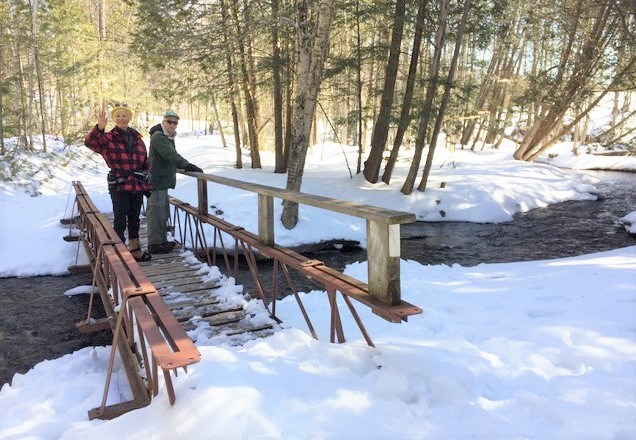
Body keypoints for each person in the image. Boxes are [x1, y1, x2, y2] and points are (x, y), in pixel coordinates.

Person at [84, 103, 152, 261]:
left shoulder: (138, 139)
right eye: (118, 116)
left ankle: (134, 249)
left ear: (129, 118)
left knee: (134, 218)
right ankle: (120, 254)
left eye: (124, 115)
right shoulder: (108, 138)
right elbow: (91, 143)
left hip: (136, 185)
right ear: (114, 119)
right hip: (119, 185)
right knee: (120, 219)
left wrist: (148, 186)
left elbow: (145, 163)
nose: (122, 118)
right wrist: (99, 128)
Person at [146, 110, 203, 254]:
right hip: (157, 181)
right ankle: (155, 244)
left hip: (162, 181)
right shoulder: (159, 137)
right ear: (163, 122)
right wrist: (187, 165)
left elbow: (168, 157)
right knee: (156, 213)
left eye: (175, 122)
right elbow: (170, 155)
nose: (172, 124)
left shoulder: (167, 136)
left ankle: (161, 241)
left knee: (162, 212)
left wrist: (181, 165)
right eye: (169, 121)